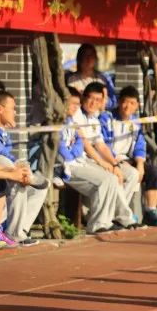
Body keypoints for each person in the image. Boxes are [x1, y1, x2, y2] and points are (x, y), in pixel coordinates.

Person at [56, 90, 129, 234]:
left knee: (111, 178)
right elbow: (62, 148)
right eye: (72, 103)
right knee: (105, 180)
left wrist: (112, 164)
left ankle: (105, 222)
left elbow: (79, 142)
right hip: (66, 166)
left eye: (76, 104)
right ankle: (97, 224)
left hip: (79, 160)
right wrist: (73, 154)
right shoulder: (58, 121)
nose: (75, 107)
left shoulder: (73, 121)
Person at [80, 82, 142, 224]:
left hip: (111, 159)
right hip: (88, 161)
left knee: (133, 174)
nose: (94, 103)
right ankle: (118, 218)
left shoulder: (94, 119)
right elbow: (90, 145)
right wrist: (112, 164)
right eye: (91, 98)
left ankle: (117, 215)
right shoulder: (102, 117)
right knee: (112, 178)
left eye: (98, 100)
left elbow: (101, 145)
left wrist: (117, 164)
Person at [107, 86, 157, 226]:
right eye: (124, 102)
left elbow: (140, 145)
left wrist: (140, 163)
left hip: (129, 159)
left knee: (153, 172)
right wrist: (116, 161)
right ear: (118, 102)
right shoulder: (109, 118)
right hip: (113, 159)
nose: (127, 106)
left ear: (137, 106)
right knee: (130, 174)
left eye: (132, 103)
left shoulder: (136, 122)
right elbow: (104, 144)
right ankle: (121, 214)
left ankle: (151, 212)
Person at [0, 90, 50, 245]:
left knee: (40, 186)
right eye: (12, 108)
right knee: (12, 171)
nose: (15, 112)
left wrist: (21, 169)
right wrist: (14, 172)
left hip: (4, 178)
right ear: (0, 109)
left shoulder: (3, 132)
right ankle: (14, 234)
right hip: (3, 177)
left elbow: (8, 156)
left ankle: (19, 230)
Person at [65, 43, 117, 109]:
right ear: (79, 58)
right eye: (85, 55)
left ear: (95, 58)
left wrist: (102, 101)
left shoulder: (104, 78)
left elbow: (114, 101)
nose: (88, 59)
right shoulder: (71, 79)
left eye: (91, 55)